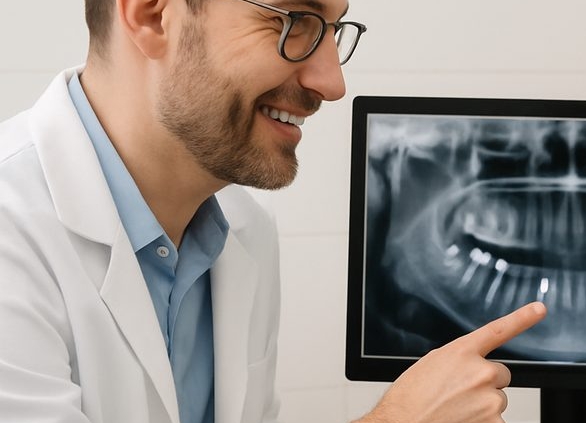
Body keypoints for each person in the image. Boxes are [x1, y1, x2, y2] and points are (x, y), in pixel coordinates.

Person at [0, 0, 544, 422]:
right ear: (152, 14)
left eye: (333, 31)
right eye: (295, 22)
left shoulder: (244, 232)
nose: (331, 83)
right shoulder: (11, 228)